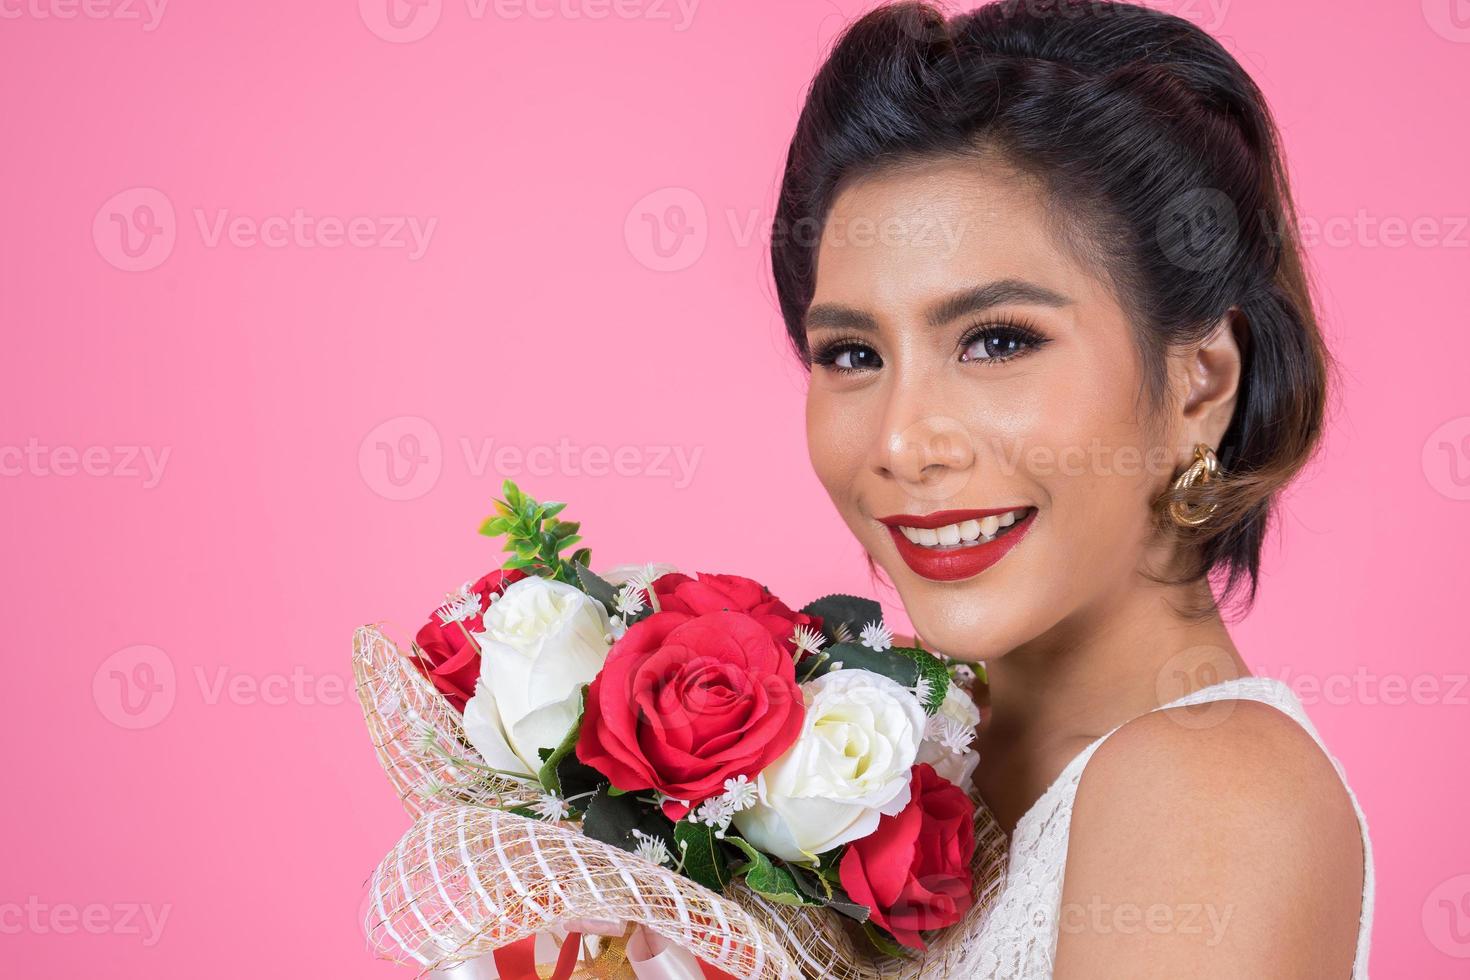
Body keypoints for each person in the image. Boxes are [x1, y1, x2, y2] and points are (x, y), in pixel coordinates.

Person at [775, 2, 1373, 976]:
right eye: (851, 351)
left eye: (998, 339)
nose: (898, 440)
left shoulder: (1208, 784)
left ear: (1201, 380)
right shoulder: (879, 765)